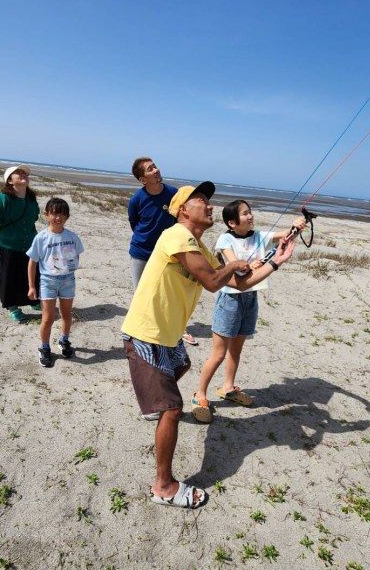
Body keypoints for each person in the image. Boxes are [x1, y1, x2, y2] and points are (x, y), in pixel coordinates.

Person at [120, 182, 296, 508]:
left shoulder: (199, 248)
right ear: (183, 210)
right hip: (147, 333)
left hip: (167, 335)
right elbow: (216, 281)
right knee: (173, 408)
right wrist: (230, 264)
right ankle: (164, 487)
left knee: (182, 366)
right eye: (201, 200)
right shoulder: (176, 236)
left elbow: (238, 283)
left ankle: (155, 400)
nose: (210, 204)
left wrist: (276, 261)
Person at [191, 200, 306, 423]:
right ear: (232, 222)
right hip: (230, 300)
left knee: (236, 351)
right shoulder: (225, 239)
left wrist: (296, 226)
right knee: (219, 353)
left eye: (250, 212)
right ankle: (200, 394)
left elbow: (285, 236)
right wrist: (246, 265)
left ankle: (228, 388)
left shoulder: (259, 236)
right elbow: (234, 264)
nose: (250, 216)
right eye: (245, 214)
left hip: (250, 299)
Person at [127, 157, 197, 349]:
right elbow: (134, 222)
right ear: (143, 179)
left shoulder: (173, 194)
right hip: (141, 252)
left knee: (171, 292)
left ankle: (179, 329)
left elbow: (181, 219)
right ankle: (140, 332)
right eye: (150, 169)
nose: (156, 170)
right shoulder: (137, 199)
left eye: (155, 166)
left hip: (169, 253)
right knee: (142, 292)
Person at [26, 197, 84, 367]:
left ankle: (64, 340)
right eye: (54, 214)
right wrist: (31, 286)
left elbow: (76, 255)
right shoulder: (41, 238)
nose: (58, 218)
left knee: (66, 314)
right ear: (46, 215)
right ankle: (44, 348)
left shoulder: (72, 236)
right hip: (47, 281)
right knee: (48, 317)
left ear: (67, 217)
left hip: (68, 281)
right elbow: (32, 262)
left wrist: (71, 265)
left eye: (62, 214)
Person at [0, 165, 41, 323]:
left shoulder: (30, 199)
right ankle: (13, 308)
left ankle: (34, 301)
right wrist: (4, 236)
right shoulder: (1, 199)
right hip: (8, 246)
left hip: (30, 244)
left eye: (25, 173)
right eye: (19, 173)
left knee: (31, 275)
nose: (24, 175)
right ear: (9, 181)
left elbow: (33, 219)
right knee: (8, 277)